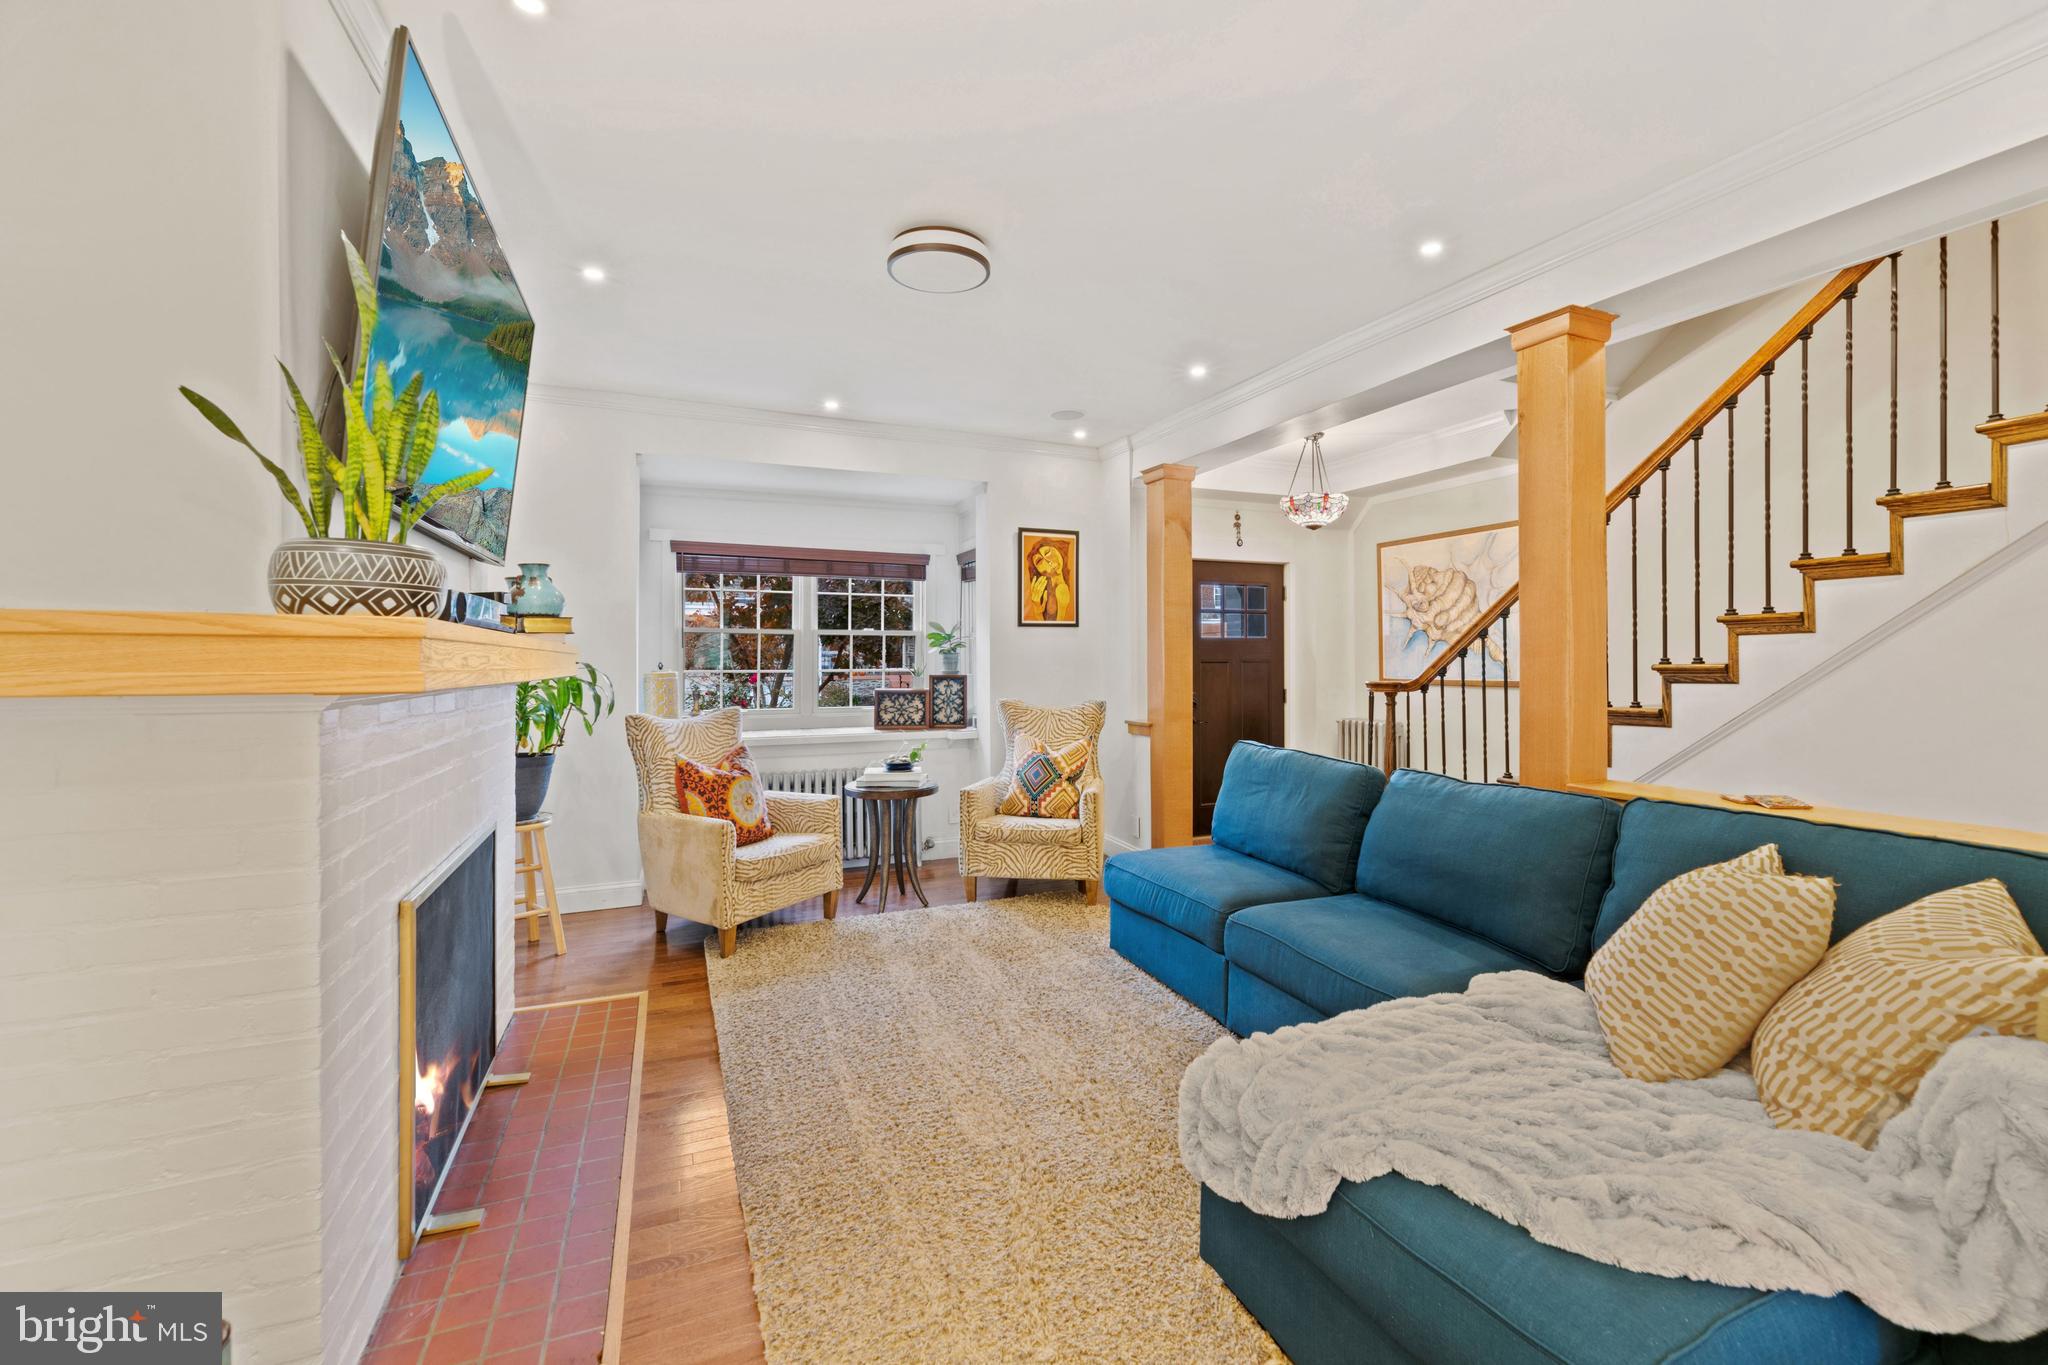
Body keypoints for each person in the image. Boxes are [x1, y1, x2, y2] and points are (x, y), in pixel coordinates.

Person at [1026, 541, 1073, 622]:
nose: (1048, 561)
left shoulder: (1063, 589)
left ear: (1057, 550)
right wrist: (1037, 611)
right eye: (1039, 561)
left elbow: (1059, 628)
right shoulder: (1044, 593)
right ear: (1038, 571)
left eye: (1048, 552)